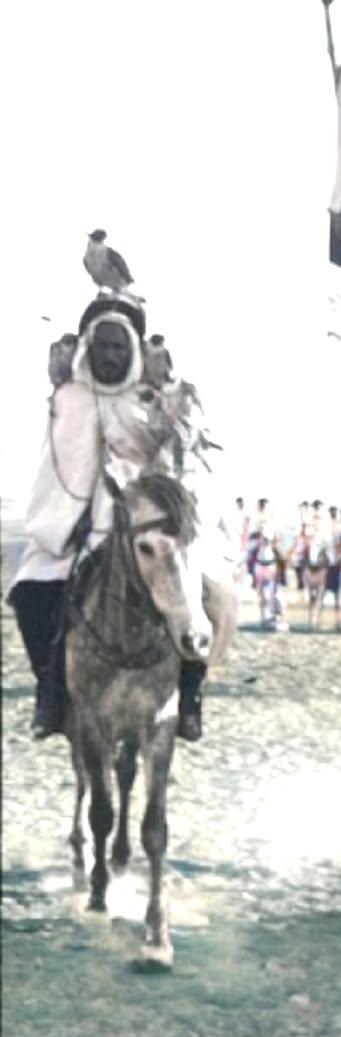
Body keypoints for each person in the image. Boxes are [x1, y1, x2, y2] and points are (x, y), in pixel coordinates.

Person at [7, 295, 209, 741]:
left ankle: (190, 699)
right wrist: (66, 520)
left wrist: (170, 395)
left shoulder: (149, 399)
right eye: (103, 346)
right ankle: (50, 692)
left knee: (200, 592)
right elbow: (54, 468)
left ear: (132, 349)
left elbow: (178, 454)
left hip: (142, 528)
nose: (111, 355)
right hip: (73, 530)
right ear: (89, 349)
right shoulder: (68, 399)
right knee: (29, 593)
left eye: (120, 346)